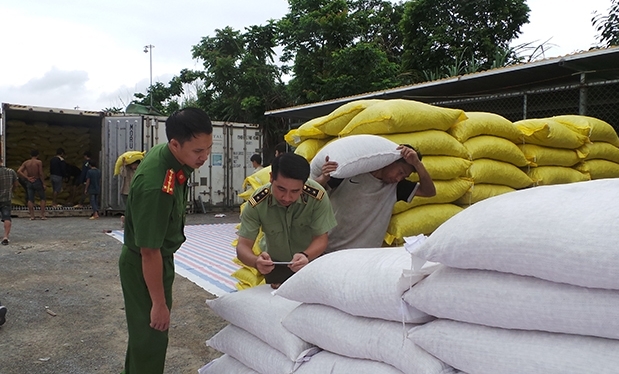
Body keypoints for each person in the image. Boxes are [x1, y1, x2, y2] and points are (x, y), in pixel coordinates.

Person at [118, 107, 213, 374]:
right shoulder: (157, 186)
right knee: (151, 337)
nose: (204, 157)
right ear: (175, 144)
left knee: (143, 339)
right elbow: (149, 251)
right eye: (198, 151)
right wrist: (158, 304)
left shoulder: (173, 158)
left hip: (155, 260)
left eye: (208, 148)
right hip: (144, 265)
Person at [236, 152, 337, 289]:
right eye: (281, 189)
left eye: (295, 191)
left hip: (309, 262)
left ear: (304, 184)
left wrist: (305, 255)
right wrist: (256, 261)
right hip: (275, 266)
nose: (287, 197)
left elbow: (321, 238)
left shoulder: (317, 197)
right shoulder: (258, 202)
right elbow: (243, 246)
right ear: (271, 178)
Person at [316, 144, 436, 253]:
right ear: (390, 161)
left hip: (366, 256)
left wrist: (417, 164)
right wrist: (324, 177)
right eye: (400, 172)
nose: (399, 178)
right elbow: (311, 191)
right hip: (330, 250)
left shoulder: (397, 187)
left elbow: (429, 191)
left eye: (404, 176)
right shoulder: (352, 171)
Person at [17, 149, 47, 220]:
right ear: (38, 155)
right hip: (37, 180)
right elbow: (40, 173)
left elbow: (19, 171)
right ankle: (42, 215)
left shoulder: (26, 162)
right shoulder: (39, 162)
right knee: (42, 198)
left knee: (30, 199)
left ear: (30, 155)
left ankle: (32, 216)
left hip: (30, 182)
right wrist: (43, 183)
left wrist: (27, 178)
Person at [0, 158, 19, 245]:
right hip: (6, 198)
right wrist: (12, 190)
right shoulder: (11, 171)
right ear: (1, 161)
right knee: (7, 217)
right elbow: (16, 184)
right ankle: (5, 237)